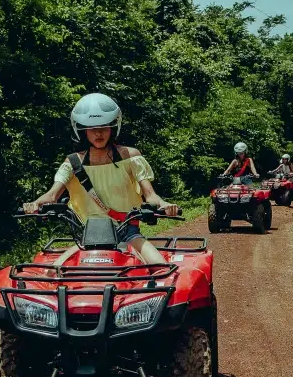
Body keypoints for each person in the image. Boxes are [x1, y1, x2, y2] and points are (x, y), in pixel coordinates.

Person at [22, 93, 178, 266]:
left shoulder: (130, 156)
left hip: (128, 232)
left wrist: (164, 205)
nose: (98, 133)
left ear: (113, 127)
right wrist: (34, 204)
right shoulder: (73, 163)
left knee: (161, 268)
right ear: (82, 130)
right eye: (91, 128)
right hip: (86, 237)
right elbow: (52, 196)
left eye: (104, 126)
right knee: (53, 273)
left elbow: (150, 195)